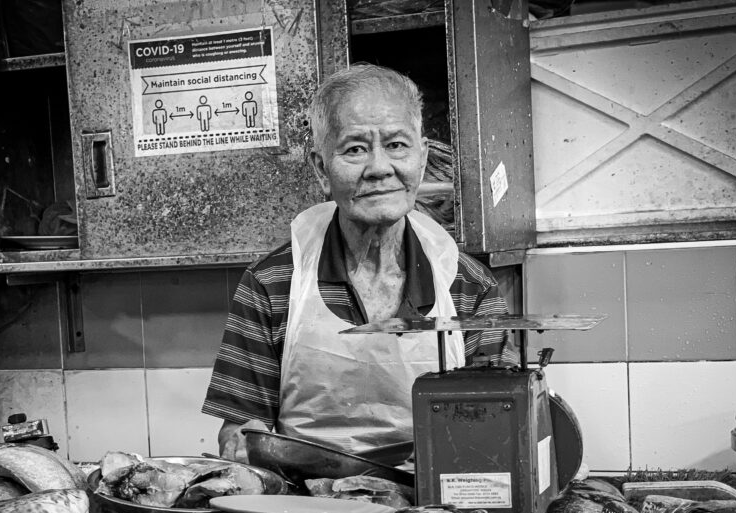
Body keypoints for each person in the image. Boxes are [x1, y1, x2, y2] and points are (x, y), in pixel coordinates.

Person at [202, 64, 516, 462]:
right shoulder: (274, 281)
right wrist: (243, 445)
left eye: (397, 145)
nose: (380, 168)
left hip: (434, 502)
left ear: (421, 157)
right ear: (321, 169)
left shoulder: (467, 285)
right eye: (355, 149)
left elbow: (498, 421)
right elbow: (242, 426)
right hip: (308, 506)